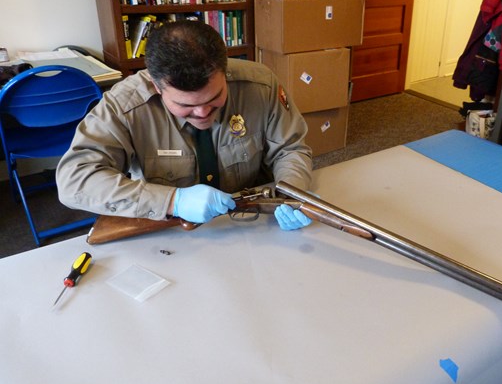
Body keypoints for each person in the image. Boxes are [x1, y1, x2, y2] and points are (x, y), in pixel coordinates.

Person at [56, 20, 312, 231]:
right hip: (173, 231)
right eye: (185, 105)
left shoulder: (260, 85)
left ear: (225, 72)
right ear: (157, 87)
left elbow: (290, 149)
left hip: (252, 225)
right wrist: (172, 201)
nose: (202, 113)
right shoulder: (124, 106)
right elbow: (74, 180)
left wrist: (292, 193)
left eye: (214, 98)